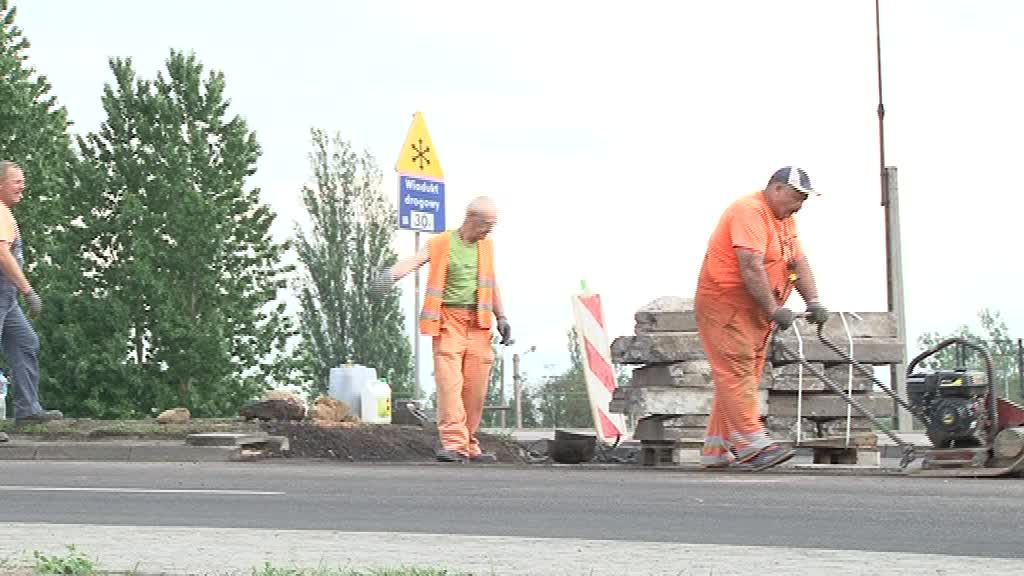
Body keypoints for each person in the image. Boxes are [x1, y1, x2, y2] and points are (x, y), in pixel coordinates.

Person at [694, 166, 828, 471]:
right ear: (776, 188)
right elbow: (750, 265)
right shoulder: (750, 211)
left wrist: (814, 301)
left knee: (742, 377)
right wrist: (773, 309)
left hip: (754, 312)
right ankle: (752, 445)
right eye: (796, 197)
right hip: (726, 305)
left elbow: (796, 262)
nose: (799, 206)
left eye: (804, 200)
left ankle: (717, 449)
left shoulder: (785, 221)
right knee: (737, 372)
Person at [371, 196, 511, 463]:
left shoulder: (486, 247)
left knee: (475, 390)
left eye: (492, 225)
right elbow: (414, 261)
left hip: (479, 325)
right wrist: (389, 277)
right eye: (486, 224)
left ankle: (469, 443)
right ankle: (453, 443)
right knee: (450, 386)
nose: (489, 230)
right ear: (470, 218)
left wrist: (501, 316)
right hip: (449, 322)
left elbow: (491, 283)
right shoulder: (441, 243)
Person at [0, 160, 63, 424]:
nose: (22, 186)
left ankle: (28, 410)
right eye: (17, 181)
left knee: (25, 342)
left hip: (7, 298)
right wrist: (28, 291)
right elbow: (2, 253)